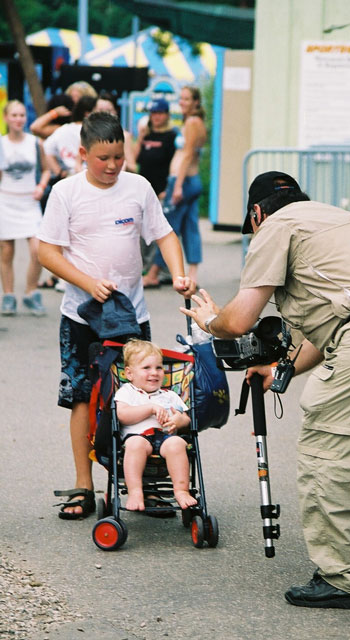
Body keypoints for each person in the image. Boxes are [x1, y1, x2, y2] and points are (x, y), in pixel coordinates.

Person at [182, 170, 350, 609]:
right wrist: (281, 370)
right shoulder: (347, 220)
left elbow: (238, 321)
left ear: (256, 213)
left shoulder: (276, 226)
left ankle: (345, 578)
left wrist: (209, 321)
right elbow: (338, 323)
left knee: (330, 449)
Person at [38, 111, 194, 520]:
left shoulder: (138, 187)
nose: (111, 167)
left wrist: (178, 273)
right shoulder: (65, 192)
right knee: (81, 398)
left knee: (143, 394)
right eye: (103, 158)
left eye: (119, 158)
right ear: (84, 154)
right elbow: (46, 252)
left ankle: (143, 483)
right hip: (81, 316)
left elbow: (165, 234)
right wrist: (88, 282)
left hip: (130, 319)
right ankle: (84, 486)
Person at [115, 338, 197, 511]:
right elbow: (122, 415)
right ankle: (136, 491)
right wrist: (150, 408)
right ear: (129, 374)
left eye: (158, 367)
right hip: (138, 437)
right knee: (135, 444)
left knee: (177, 443)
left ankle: (181, 490)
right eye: (146, 368)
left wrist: (178, 420)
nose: (154, 372)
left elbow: (186, 419)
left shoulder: (170, 395)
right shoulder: (127, 392)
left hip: (164, 437)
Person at [145, 86, 206, 285]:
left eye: (187, 99)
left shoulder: (192, 122)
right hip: (189, 180)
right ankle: (193, 275)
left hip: (184, 181)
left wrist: (177, 185)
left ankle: (154, 274)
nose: (182, 102)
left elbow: (187, 155)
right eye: (181, 98)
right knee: (189, 226)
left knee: (167, 227)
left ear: (196, 102)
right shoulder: (194, 122)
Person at [0, 100, 51, 316]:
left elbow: (47, 169)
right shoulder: (1, 143)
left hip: (29, 201)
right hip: (6, 200)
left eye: (22, 115)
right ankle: (8, 295)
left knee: (37, 250)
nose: (19, 119)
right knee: (6, 250)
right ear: (6, 118)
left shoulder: (35, 142)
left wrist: (41, 186)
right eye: (14, 115)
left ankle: (31, 292)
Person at [135, 97, 177, 281]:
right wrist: (142, 137)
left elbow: (173, 164)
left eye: (159, 113)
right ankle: (144, 265)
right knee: (141, 230)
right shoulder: (148, 135)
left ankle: (156, 268)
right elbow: (135, 159)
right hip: (144, 188)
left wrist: (169, 188)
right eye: (153, 113)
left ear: (166, 115)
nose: (156, 117)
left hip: (160, 189)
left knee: (157, 230)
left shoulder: (171, 137)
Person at [43, 95, 97, 179]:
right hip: (88, 175)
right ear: (87, 113)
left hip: (68, 176)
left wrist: (59, 172)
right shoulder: (93, 132)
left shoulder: (63, 129)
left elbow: (46, 148)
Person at [93, 91, 136, 172]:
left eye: (109, 111)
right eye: (100, 111)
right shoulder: (88, 134)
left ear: (115, 112)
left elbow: (133, 167)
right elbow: (78, 163)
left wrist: (123, 164)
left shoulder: (124, 136)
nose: (105, 115)